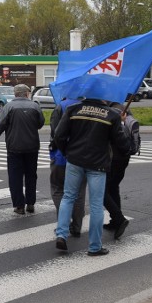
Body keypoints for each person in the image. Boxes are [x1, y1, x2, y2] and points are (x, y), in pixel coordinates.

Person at [53, 98, 130, 256]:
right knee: (96, 205)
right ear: (104, 96)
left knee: (68, 197)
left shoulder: (73, 110)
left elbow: (59, 136)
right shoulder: (111, 115)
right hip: (98, 164)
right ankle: (94, 246)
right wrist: (121, 123)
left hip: (74, 160)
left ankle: (61, 234)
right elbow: (122, 144)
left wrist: (68, 152)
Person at [0, 84, 45, 214]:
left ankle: (19, 205)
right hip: (32, 147)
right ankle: (30, 203)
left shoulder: (9, 107)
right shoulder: (35, 106)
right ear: (26, 94)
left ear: (15, 94)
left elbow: (0, 124)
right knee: (31, 175)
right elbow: (40, 123)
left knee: (15, 177)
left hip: (14, 147)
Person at [49, 98, 87, 236]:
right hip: (82, 157)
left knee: (58, 189)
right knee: (79, 192)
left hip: (61, 157)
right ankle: (77, 226)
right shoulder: (89, 106)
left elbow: (55, 132)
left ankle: (63, 224)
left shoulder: (62, 106)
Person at [103, 103, 141, 239]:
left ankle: (118, 218)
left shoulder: (113, 111)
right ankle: (115, 221)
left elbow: (115, 137)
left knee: (102, 191)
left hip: (114, 158)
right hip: (124, 159)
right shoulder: (122, 108)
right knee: (113, 188)